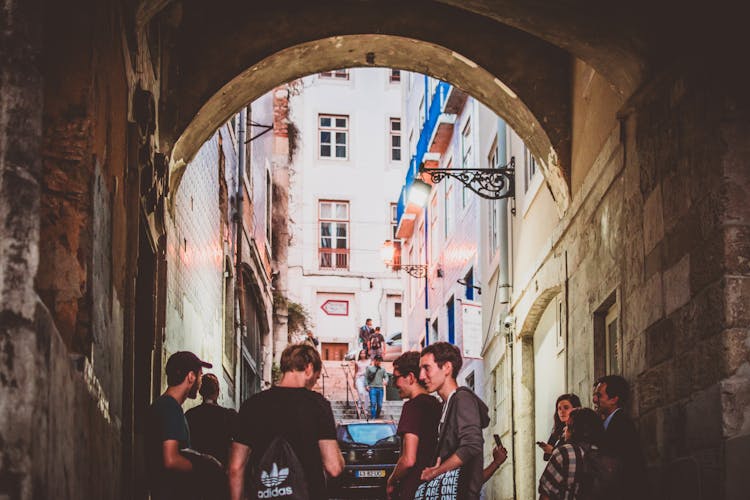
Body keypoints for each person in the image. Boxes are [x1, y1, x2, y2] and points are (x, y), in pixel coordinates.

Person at [228, 343, 343, 500]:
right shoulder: (317, 405)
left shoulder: (252, 404)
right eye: (316, 378)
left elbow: (235, 468)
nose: (314, 384)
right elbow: (334, 467)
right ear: (309, 369)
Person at [418, 342, 507, 499]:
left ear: (446, 367)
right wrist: (495, 463)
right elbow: (471, 479)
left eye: (427, 368)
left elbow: (472, 445)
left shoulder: (462, 398)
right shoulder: (448, 405)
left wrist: (435, 471)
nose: (421, 376)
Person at [145, 351, 216, 500]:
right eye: (200, 375)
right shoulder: (170, 408)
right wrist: (205, 468)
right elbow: (171, 459)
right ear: (191, 377)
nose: (200, 382)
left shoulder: (161, 406)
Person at [386, 351, 443, 500]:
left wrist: (391, 481)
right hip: (434, 486)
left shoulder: (412, 407)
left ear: (410, 377)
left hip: (413, 488)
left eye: (396, 378)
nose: (394, 384)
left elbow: (408, 459)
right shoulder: (436, 405)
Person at [593, 375, 648, 499]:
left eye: (599, 395)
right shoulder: (608, 424)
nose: (594, 399)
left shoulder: (622, 424)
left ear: (614, 399)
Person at [538, 407, 604, 500]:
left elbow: (547, 493)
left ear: (575, 430)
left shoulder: (565, 452)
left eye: (568, 426)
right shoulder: (603, 451)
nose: (565, 429)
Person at [185, 373, 238, 467]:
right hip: (219, 472)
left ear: (201, 392)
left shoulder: (190, 415)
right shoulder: (228, 416)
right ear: (217, 391)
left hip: (196, 470)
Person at [537, 394, 582, 461]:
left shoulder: (580, 430)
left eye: (566, 408)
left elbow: (576, 457)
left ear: (575, 409)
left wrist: (552, 450)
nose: (562, 411)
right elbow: (546, 457)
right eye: (559, 408)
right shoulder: (558, 429)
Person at [365, 354, 387, 419]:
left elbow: (386, 376)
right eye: (377, 360)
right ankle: (373, 418)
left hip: (380, 388)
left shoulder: (382, 369)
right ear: (374, 360)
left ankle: (377, 416)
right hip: (372, 388)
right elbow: (366, 377)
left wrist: (386, 381)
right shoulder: (369, 368)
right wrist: (366, 385)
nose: (379, 362)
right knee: (373, 403)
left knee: (380, 405)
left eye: (380, 361)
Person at [353, 349, 371, 415]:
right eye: (361, 353)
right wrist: (354, 382)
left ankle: (365, 409)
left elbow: (371, 371)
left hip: (367, 378)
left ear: (366, 354)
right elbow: (355, 372)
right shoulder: (357, 362)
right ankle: (359, 407)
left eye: (364, 353)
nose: (362, 355)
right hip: (359, 378)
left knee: (366, 394)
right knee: (360, 392)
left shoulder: (369, 361)